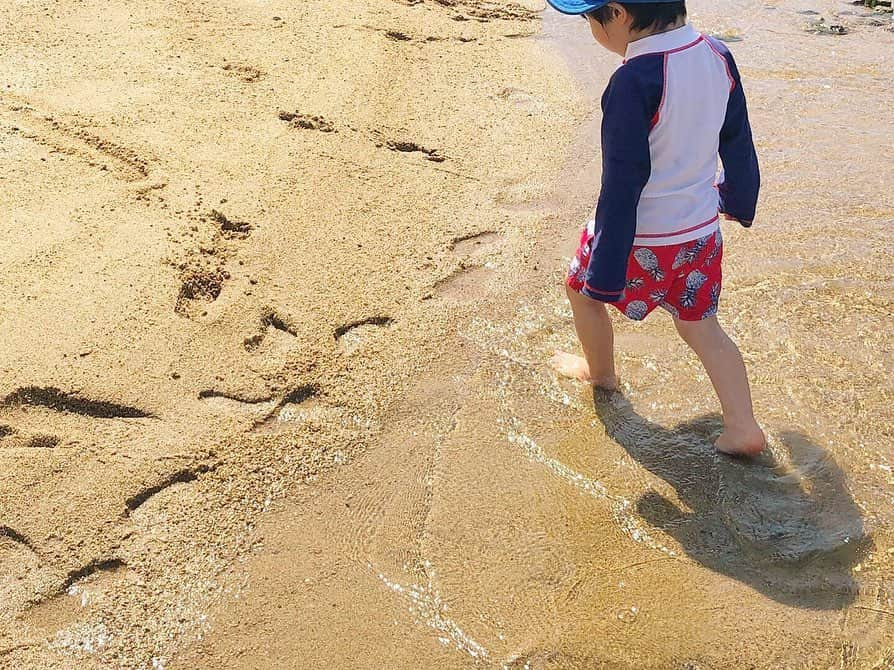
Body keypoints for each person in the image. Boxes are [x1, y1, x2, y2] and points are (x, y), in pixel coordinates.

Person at [546, 0, 766, 456]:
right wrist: (739, 200)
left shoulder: (632, 80)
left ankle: (599, 372)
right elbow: (738, 141)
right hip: (700, 232)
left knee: (579, 291)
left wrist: (604, 276)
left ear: (620, 14)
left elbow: (622, 183)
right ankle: (743, 427)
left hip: (641, 237)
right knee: (702, 327)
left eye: (590, 18)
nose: (591, 29)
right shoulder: (717, 54)